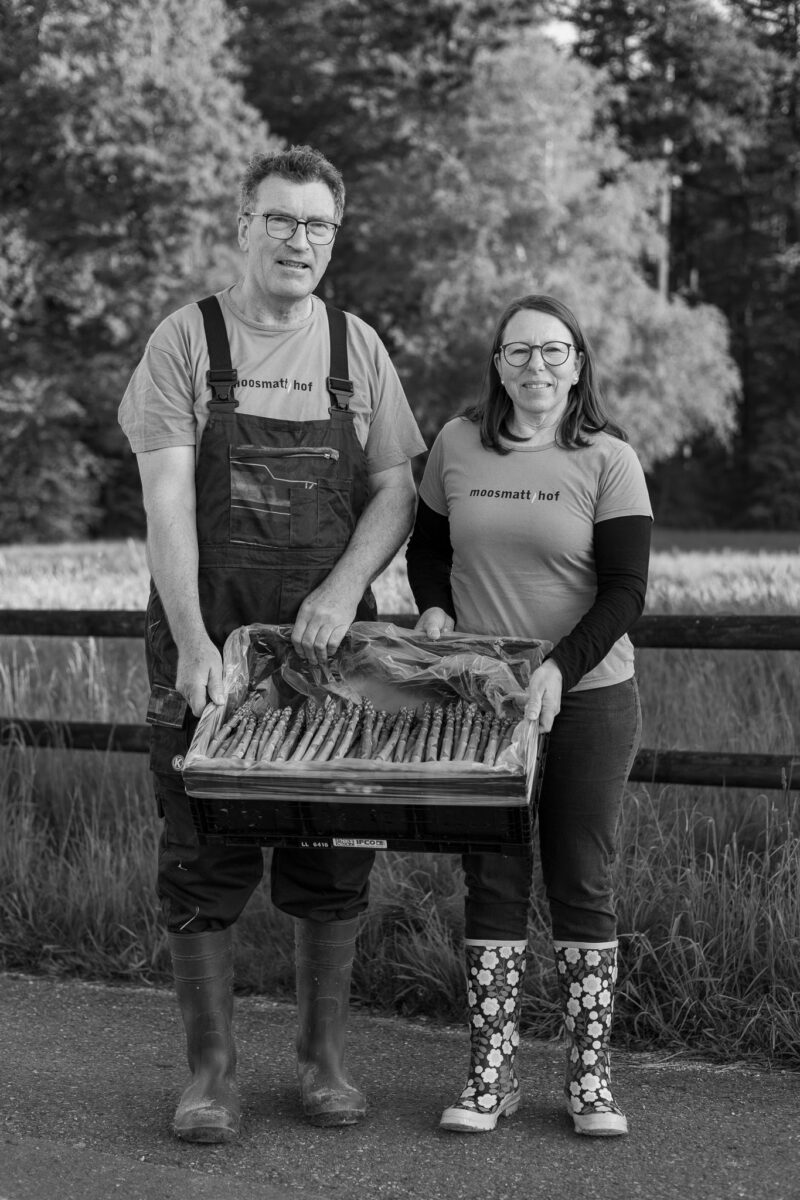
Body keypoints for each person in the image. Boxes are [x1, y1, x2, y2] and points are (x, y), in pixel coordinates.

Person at [119, 145, 426, 1143]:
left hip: (328, 653)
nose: (299, 240)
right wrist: (193, 638)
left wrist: (345, 588)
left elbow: (395, 488)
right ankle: (211, 1076)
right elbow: (167, 502)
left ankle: (322, 1062)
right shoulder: (185, 342)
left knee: (332, 853)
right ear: (243, 228)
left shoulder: (356, 348)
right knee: (202, 850)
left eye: (317, 225)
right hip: (207, 639)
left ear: (333, 239)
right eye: (280, 220)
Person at [405, 293, 652, 1137]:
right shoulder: (456, 443)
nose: (535, 367)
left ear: (578, 363)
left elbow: (626, 591)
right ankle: (491, 1078)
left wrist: (558, 669)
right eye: (518, 352)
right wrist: (432, 610)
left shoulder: (609, 458)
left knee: (583, 882)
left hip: (588, 699)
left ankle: (590, 1083)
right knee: (494, 882)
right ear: (497, 363)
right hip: (483, 703)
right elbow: (429, 547)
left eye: (553, 352)